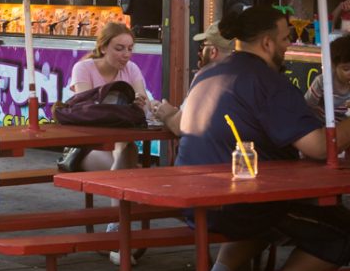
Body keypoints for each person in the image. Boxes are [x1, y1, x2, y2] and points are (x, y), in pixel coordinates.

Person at [177, 5, 350, 271]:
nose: (289, 45)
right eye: (286, 38)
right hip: (236, 202)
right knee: (341, 233)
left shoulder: (210, 71)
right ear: (268, 43)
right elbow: (318, 146)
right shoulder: (267, 81)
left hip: (193, 198)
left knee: (269, 218)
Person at [68, 22, 150, 173]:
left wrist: (140, 103)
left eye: (130, 49)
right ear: (103, 48)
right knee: (126, 171)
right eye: (119, 48)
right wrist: (127, 110)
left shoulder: (131, 68)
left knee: (126, 162)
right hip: (89, 145)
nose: (126, 54)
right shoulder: (83, 68)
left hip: (123, 141)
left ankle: (120, 152)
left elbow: (145, 107)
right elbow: (86, 112)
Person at [152, 21, 233, 135]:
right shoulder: (246, 76)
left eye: (203, 46)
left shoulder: (208, 77)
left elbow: (179, 126)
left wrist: (166, 114)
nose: (199, 52)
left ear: (213, 51)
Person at [304, 34, 350, 122]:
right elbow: (307, 107)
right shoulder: (322, 82)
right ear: (333, 66)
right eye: (346, 69)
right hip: (321, 126)